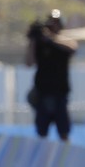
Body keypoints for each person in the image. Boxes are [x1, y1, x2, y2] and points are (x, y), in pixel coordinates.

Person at [25, 9, 77, 141]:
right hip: (43, 93)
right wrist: (33, 40)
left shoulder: (63, 42)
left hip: (59, 93)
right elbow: (29, 62)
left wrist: (50, 39)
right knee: (42, 132)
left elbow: (72, 47)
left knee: (63, 132)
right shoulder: (41, 44)